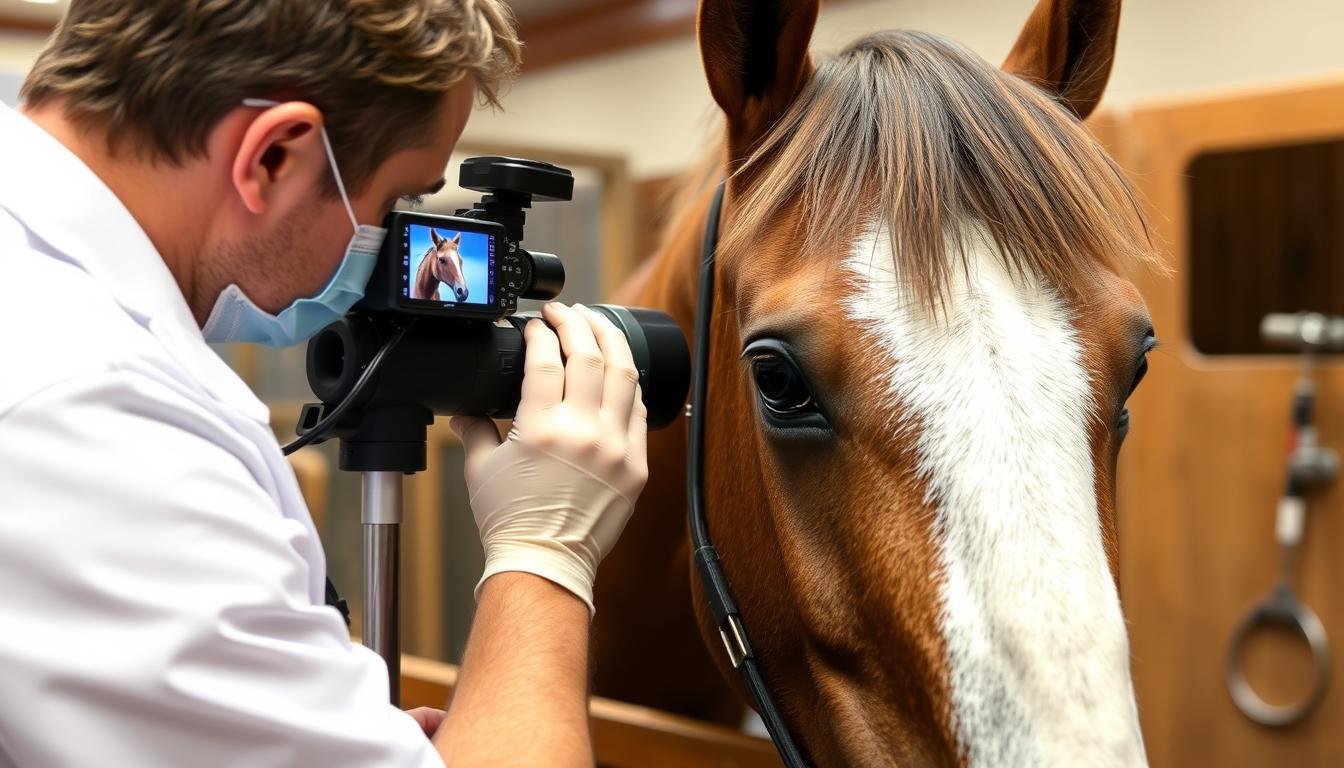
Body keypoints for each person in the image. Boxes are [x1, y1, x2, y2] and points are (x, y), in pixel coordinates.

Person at [0, 1, 649, 766]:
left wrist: (321, 727)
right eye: (392, 201)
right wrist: (545, 554)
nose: (384, 246)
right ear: (275, 155)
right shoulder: (101, 416)